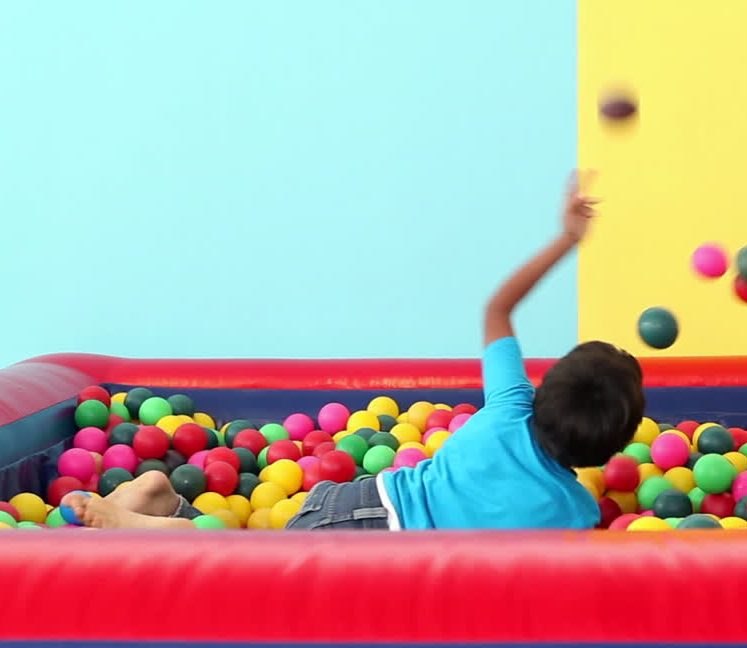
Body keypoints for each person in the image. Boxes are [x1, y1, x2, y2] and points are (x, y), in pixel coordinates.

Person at [62, 171, 645, 530]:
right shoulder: (574, 512)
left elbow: (498, 309)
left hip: (354, 501)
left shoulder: (509, 407)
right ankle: (163, 532)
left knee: (262, 561)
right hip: (374, 533)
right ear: (610, 448)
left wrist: (568, 238)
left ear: (542, 391)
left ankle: (162, 499)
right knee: (257, 586)